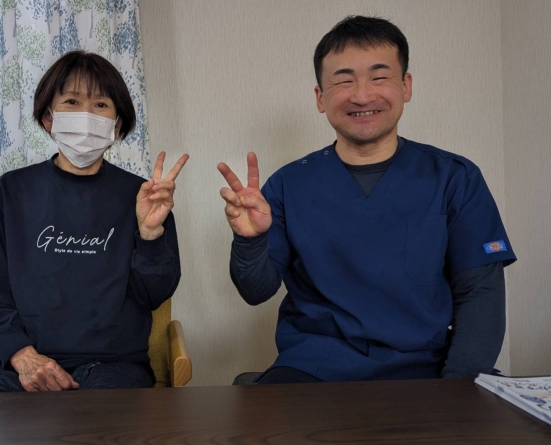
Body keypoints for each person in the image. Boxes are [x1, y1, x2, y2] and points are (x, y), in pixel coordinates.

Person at [218, 16, 516, 384]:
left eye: (379, 77)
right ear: (320, 97)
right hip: (314, 367)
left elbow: (480, 292)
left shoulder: (455, 178)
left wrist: (459, 387)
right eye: (344, 80)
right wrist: (250, 241)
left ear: (405, 86)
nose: (362, 95)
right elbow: (255, 291)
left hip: (425, 369)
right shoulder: (287, 184)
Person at [0, 51, 189, 392]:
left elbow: (153, 295)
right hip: (18, 367)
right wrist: (22, 356)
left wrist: (150, 234)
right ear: (48, 118)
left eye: (100, 105)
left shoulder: (143, 197)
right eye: (71, 101)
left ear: (117, 124)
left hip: (114, 366)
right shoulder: (10, 193)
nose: (86, 115)